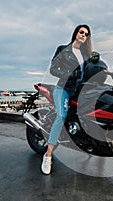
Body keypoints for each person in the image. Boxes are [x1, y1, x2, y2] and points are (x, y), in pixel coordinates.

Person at [41, 24, 92, 175]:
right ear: (76, 33)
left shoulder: (86, 54)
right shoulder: (63, 49)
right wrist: (69, 73)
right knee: (62, 115)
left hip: (79, 91)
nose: (83, 35)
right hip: (63, 89)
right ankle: (48, 155)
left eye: (86, 34)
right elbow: (53, 68)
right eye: (81, 32)